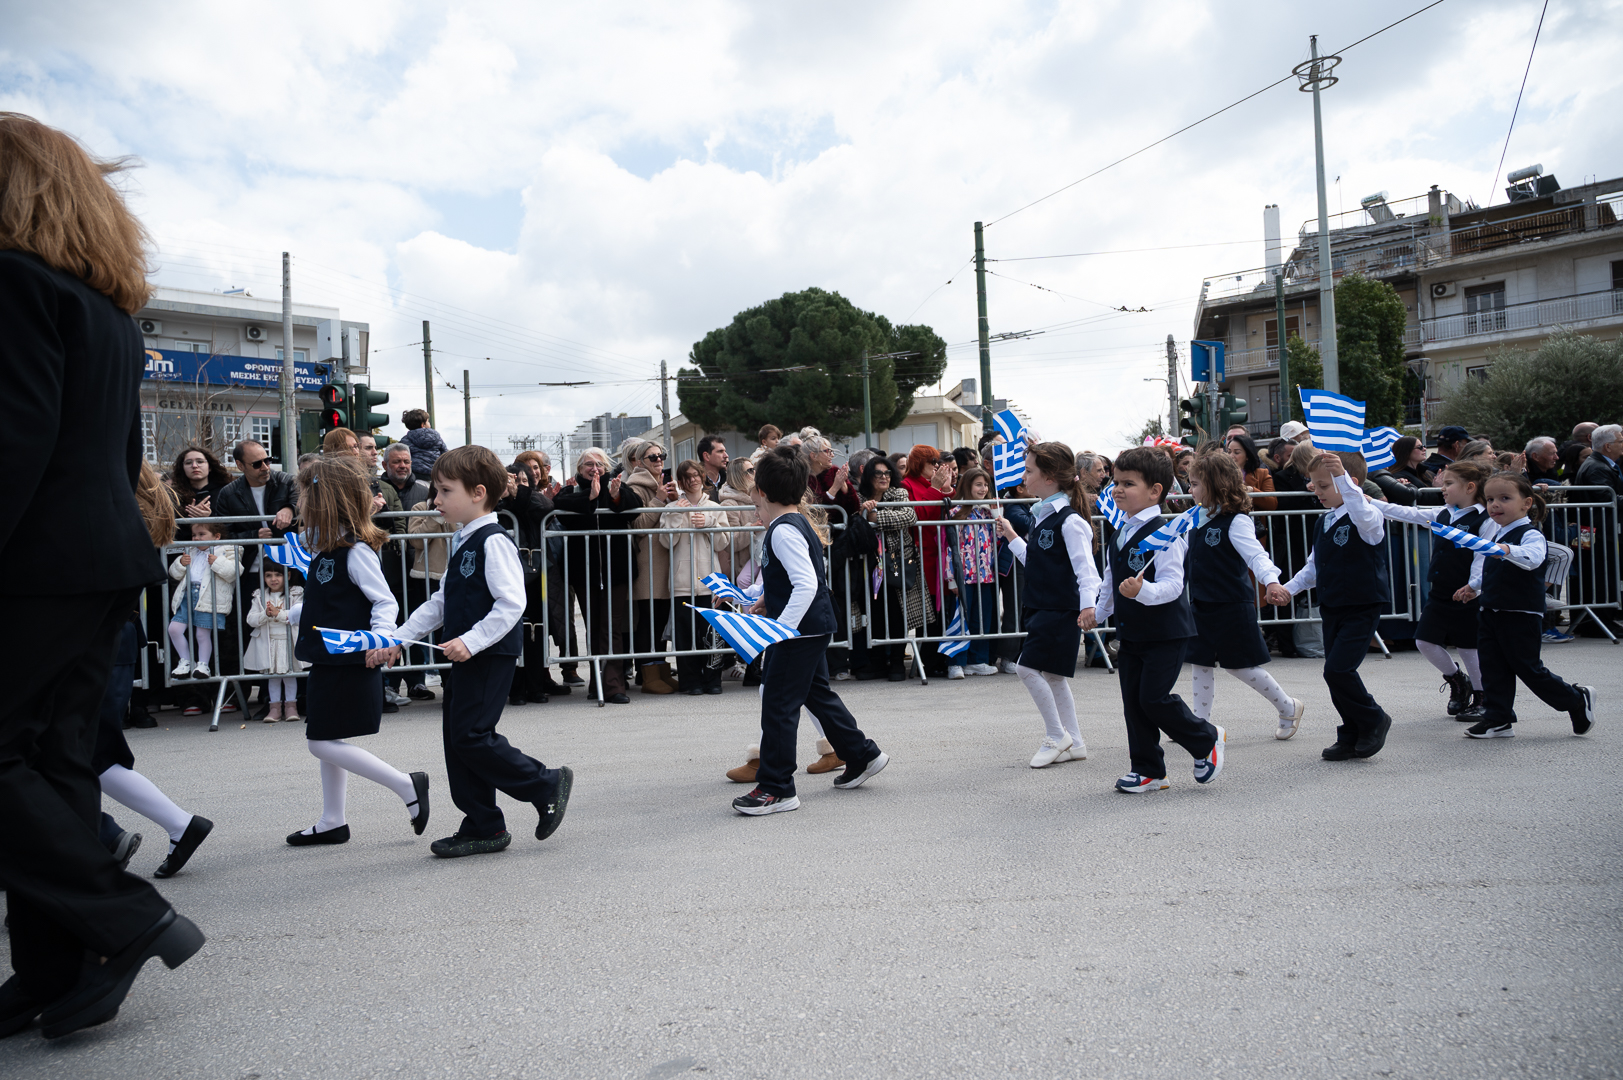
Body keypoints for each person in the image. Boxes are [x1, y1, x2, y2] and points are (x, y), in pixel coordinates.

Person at [0, 111, 204, 1040]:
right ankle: (59, 967)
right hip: (105, 560)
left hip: (36, 562)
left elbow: (13, 445)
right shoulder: (109, 314)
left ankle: (122, 919)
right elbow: (124, 458)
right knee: (57, 763)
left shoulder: (12, 283)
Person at [390, 446, 574, 856]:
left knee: (472, 736)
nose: (436, 499)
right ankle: (483, 824)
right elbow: (441, 601)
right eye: (436, 490)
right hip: (465, 654)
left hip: (489, 655)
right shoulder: (462, 538)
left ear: (477, 493)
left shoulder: (494, 541)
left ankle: (545, 783)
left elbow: (512, 603)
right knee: (458, 739)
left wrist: (471, 641)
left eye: (445, 491)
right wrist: (400, 637)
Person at [731, 447, 889, 816]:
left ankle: (776, 788)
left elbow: (805, 584)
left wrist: (780, 630)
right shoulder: (793, 522)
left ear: (763, 492)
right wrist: (767, 598)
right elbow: (797, 579)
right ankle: (862, 755)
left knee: (778, 703)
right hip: (811, 626)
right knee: (816, 694)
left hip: (799, 631)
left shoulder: (783, 530)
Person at [283, 455, 430, 847]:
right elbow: (326, 599)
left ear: (324, 502)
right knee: (327, 739)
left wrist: (381, 640)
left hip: (350, 659)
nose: (299, 504)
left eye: (304, 497)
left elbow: (384, 602)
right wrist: (291, 614)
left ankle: (407, 785)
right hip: (328, 658)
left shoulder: (355, 551)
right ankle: (333, 820)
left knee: (320, 742)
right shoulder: (325, 549)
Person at [95, 461, 215, 882]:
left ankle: (106, 837)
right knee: (87, 752)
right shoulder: (130, 524)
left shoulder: (116, 526)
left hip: (101, 641)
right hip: (111, 639)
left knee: (83, 752)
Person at [1089, 447, 1226, 793]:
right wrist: (1097, 612)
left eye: (1128, 483)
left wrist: (1143, 591)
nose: (1117, 490)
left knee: (1153, 698)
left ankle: (1206, 738)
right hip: (1132, 632)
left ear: (1155, 491)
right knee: (1134, 703)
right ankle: (1148, 769)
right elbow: (1110, 580)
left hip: (1166, 632)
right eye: (1116, 482)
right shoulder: (1119, 532)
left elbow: (1173, 585)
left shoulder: (1167, 533)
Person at [1454, 472, 1596, 739]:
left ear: (1526, 503)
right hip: (1491, 610)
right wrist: (1474, 587)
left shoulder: (1530, 534)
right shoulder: (1498, 533)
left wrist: (1508, 550)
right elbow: (1492, 569)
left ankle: (1576, 698)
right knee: (1492, 666)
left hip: (1521, 613)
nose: (1495, 504)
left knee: (1527, 668)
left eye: (1505, 498)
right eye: (1490, 499)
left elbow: (1533, 559)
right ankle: (1498, 718)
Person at [1274, 451, 1394, 761]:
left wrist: (1341, 477)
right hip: (1333, 604)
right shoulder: (1325, 521)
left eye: (1324, 485)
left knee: (1339, 669)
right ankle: (1350, 732)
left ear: (1349, 483)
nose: (1317, 491)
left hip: (1361, 603)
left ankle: (1373, 719)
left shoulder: (1368, 515)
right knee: (1334, 673)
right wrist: (1288, 589)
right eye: (1314, 485)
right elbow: (1314, 567)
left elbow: (1360, 511)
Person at [1183, 452, 1305, 739]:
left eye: (1195, 484)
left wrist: (1272, 582)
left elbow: (1256, 556)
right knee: (1200, 663)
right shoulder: (1194, 519)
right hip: (1201, 603)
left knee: (1240, 666)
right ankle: (1199, 725)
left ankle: (1288, 706)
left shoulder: (1236, 521)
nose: (1190, 489)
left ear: (1216, 485)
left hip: (1231, 605)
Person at [993, 443, 1099, 767]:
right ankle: (1075, 741)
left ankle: (1056, 735)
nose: (1024, 477)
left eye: (1029, 471)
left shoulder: (1070, 521)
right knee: (1053, 675)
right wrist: (1012, 536)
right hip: (1042, 607)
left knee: (1025, 668)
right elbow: (1037, 561)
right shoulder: (1042, 516)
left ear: (1050, 477)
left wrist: (1088, 607)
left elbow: (1087, 571)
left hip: (1059, 609)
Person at [1371, 460, 1492, 719]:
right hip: (1440, 590)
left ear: (1470, 487)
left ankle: (1484, 697)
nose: (1443, 488)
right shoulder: (1443, 514)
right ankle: (1458, 680)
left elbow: (1483, 556)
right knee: (1424, 641)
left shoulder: (1484, 518)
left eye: (1449, 483)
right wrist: (1366, 500)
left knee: (1469, 647)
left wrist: (1474, 585)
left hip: (1467, 593)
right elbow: (1404, 513)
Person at [552, 447, 645, 703]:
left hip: (616, 571)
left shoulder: (617, 486)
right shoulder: (571, 491)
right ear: (579, 468)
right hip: (584, 571)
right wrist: (589, 498)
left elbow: (636, 508)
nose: (594, 469)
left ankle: (613, 686)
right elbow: (558, 508)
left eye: (599, 464)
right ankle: (597, 683)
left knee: (611, 627)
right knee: (593, 627)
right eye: (589, 464)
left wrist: (615, 497)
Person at [217, 438, 298, 717]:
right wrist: (253, 535)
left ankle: (291, 698)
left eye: (267, 460)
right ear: (240, 466)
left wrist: (291, 508)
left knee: (290, 630)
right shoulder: (229, 493)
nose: (265, 467)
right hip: (250, 571)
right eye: (257, 463)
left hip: (287, 568)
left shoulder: (285, 480)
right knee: (257, 632)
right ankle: (264, 696)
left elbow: (304, 501)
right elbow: (222, 531)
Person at [660, 460, 732, 696]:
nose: (692, 480)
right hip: (682, 584)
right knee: (685, 635)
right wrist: (677, 515)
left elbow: (723, 543)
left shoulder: (715, 507)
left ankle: (713, 680)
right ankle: (690, 682)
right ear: (680, 481)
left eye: (696, 475)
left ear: (702, 477)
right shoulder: (672, 507)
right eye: (687, 477)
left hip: (711, 585)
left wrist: (709, 523)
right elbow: (666, 542)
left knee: (713, 634)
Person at [497, 461, 558, 706]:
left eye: (524, 481)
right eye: (513, 480)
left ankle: (536, 687)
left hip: (535, 573)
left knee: (535, 630)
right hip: (507, 573)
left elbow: (546, 507)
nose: (518, 485)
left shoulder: (534, 500)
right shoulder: (498, 504)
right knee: (512, 629)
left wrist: (519, 492)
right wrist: (505, 493)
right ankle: (516, 689)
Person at [621, 441, 679, 696]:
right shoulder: (635, 486)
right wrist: (659, 500)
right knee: (649, 619)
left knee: (661, 617)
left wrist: (674, 501)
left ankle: (660, 670)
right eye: (652, 456)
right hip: (648, 562)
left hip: (665, 560)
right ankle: (647, 674)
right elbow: (638, 524)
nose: (659, 460)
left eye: (661, 455)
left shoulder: (663, 483)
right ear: (639, 461)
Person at [866, 456, 928, 680]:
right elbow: (855, 519)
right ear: (868, 476)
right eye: (878, 473)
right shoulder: (862, 497)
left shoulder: (899, 493)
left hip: (897, 562)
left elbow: (909, 515)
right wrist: (865, 513)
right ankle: (877, 662)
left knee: (897, 613)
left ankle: (896, 662)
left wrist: (875, 515)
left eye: (887, 473)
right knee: (874, 613)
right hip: (869, 563)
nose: (884, 477)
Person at [944, 468, 1001, 678]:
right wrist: (951, 579)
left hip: (985, 575)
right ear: (967, 486)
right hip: (963, 576)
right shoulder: (956, 512)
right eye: (978, 484)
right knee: (960, 619)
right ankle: (955, 662)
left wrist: (995, 513)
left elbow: (1000, 537)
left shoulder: (986, 512)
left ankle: (978, 660)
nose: (983, 489)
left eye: (985, 485)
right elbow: (950, 547)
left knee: (982, 619)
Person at [166, 522, 239, 682]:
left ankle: (203, 664)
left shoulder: (227, 550)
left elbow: (234, 573)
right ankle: (185, 661)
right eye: (194, 535)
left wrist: (217, 562)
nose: (196, 538)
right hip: (187, 595)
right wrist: (180, 564)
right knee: (174, 629)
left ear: (217, 536)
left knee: (202, 633)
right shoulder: (190, 550)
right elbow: (174, 574)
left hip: (208, 596)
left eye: (201, 534)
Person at [244, 564, 305, 722]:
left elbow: (300, 615)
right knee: (273, 676)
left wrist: (279, 613)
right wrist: (265, 614)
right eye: (268, 575)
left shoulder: (295, 593)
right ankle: (274, 708)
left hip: (288, 641)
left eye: (278, 575)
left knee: (290, 675)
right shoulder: (260, 596)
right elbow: (251, 619)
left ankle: (291, 707)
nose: (273, 579)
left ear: (288, 576)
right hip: (269, 642)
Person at [170, 444, 231, 541]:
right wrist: (190, 519)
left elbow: (230, 528)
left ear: (210, 466)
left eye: (200, 461)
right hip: (185, 547)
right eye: (188, 463)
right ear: (182, 468)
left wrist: (208, 518)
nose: (194, 466)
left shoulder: (225, 491)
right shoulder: (173, 495)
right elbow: (172, 531)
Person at [399, 408, 449, 481]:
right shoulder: (437, 438)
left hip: (414, 475)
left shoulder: (405, 440)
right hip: (434, 474)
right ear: (423, 425)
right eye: (428, 421)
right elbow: (445, 455)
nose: (429, 423)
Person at [698, 435, 729, 503]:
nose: (726, 455)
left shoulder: (730, 481)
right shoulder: (695, 484)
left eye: (725, 451)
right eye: (720, 451)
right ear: (706, 456)